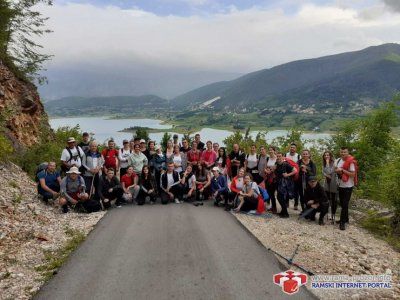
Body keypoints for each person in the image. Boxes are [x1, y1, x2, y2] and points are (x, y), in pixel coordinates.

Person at [335, 147, 357, 231]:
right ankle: (346, 219)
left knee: (344, 204)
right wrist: (338, 171)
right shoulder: (338, 160)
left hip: (348, 186)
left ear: (348, 153)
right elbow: (335, 169)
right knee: (343, 203)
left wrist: (343, 171)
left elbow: (353, 174)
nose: (343, 153)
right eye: (341, 152)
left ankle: (342, 223)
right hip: (340, 185)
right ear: (340, 152)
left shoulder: (351, 162)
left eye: (344, 152)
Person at [275, 152, 297, 218]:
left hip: (284, 184)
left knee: (280, 197)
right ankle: (283, 212)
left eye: (280, 156)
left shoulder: (286, 164)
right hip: (279, 183)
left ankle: (286, 213)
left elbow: (295, 170)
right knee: (280, 197)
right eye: (277, 156)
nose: (278, 157)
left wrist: (287, 175)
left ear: (283, 157)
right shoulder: (277, 164)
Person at [322, 150, 338, 222]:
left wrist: (328, 163)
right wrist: (326, 174)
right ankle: (326, 213)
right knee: (326, 199)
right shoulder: (324, 163)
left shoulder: (334, 163)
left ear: (330, 156)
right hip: (326, 183)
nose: (326, 156)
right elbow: (324, 172)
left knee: (334, 200)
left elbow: (329, 171)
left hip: (334, 183)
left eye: (328, 155)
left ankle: (333, 214)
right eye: (325, 155)